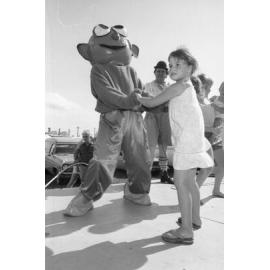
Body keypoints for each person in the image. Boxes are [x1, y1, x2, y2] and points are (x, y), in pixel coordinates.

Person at [64, 24, 152, 217]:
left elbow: (142, 93)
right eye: (104, 33)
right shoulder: (98, 70)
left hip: (135, 119)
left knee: (140, 158)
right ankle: (86, 197)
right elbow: (106, 93)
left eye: (120, 34)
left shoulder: (132, 72)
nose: (114, 37)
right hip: (112, 117)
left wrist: (149, 101)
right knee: (104, 159)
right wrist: (129, 100)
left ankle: (137, 192)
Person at [137, 48, 214, 245]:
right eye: (170, 65)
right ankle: (195, 219)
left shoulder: (178, 86)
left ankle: (186, 231)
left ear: (190, 67)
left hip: (186, 143)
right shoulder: (186, 86)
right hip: (193, 140)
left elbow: (154, 102)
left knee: (181, 185)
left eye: (178, 64)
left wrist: (136, 97)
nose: (172, 68)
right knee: (190, 184)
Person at [143, 61, 174, 184]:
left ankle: (164, 173)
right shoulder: (148, 85)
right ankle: (146, 176)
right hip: (152, 115)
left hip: (166, 116)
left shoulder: (170, 86)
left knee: (163, 147)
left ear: (166, 74)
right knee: (150, 147)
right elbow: (146, 99)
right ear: (155, 73)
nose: (160, 73)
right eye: (158, 71)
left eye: (163, 71)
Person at [195, 78, 224, 198]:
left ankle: (216, 190)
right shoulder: (212, 100)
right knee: (206, 167)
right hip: (207, 135)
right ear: (220, 89)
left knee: (223, 165)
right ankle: (193, 193)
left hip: (218, 137)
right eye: (223, 88)